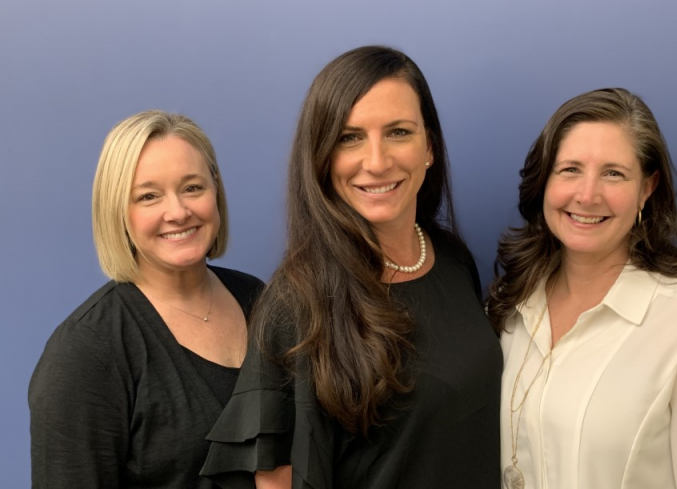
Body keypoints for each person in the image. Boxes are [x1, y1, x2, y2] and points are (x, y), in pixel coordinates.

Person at [201, 46, 502, 488]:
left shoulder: (453, 260)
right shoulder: (296, 304)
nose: (377, 161)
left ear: (429, 148)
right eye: (349, 137)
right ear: (322, 157)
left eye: (399, 132)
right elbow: (277, 479)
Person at [488, 88, 677, 489]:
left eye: (613, 173)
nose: (587, 194)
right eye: (569, 169)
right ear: (544, 181)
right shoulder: (513, 308)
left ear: (647, 189)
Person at [29, 110, 265, 488]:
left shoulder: (260, 300)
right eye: (149, 196)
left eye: (192, 187)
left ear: (215, 192)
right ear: (118, 212)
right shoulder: (87, 350)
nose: (178, 212)